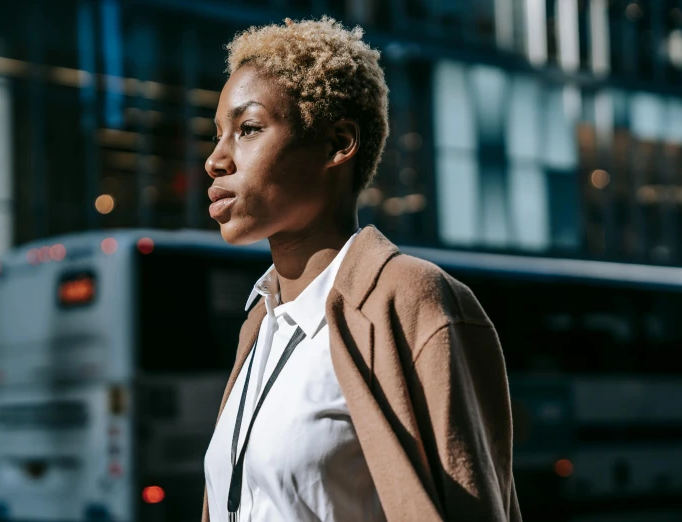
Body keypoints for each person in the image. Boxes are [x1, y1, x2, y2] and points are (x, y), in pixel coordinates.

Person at [202, 16, 521, 522]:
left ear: (338, 143)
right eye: (218, 135)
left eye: (248, 129)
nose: (216, 160)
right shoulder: (261, 324)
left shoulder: (413, 298)